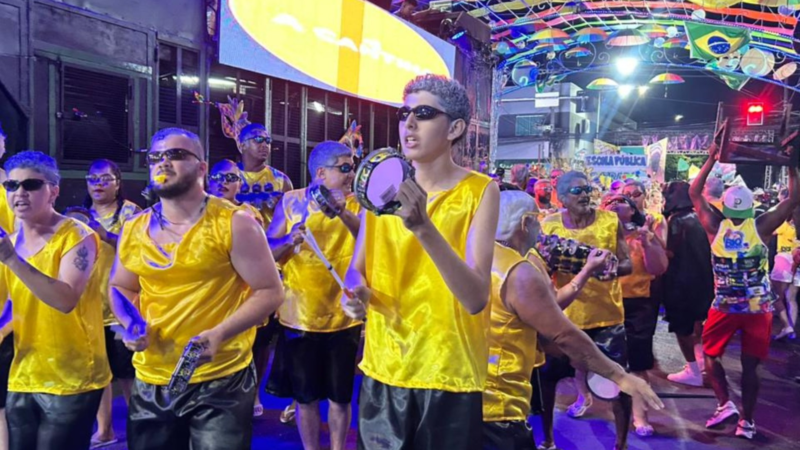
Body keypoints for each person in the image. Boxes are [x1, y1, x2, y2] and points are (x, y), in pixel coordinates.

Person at [340, 74, 499, 450]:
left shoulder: (478, 191)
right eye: (404, 113)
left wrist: (424, 228)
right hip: (384, 365)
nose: (408, 124)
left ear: (455, 128)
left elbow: (476, 297)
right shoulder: (380, 188)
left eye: (424, 114)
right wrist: (356, 292)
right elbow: (357, 266)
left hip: (448, 372)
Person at [109, 128, 285, 450]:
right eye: (155, 157)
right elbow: (120, 286)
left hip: (221, 378)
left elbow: (270, 291)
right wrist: (131, 321)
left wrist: (219, 333)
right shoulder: (134, 228)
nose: (163, 162)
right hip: (152, 377)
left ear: (202, 167)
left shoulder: (234, 223)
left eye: (176, 155)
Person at [483, 191, 663, 450]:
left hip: (468, 393)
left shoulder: (478, 256)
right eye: (536, 220)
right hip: (498, 400)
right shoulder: (518, 269)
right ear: (525, 224)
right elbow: (561, 333)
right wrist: (620, 376)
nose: (540, 226)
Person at [689, 142, 800, 439]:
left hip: (724, 306)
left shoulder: (714, 224)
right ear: (751, 207)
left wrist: (712, 158)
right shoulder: (762, 226)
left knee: (711, 357)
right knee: (752, 367)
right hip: (758, 308)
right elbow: (794, 198)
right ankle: (747, 422)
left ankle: (724, 404)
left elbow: (694, 193)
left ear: (725, 207)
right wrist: (791, 162)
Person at [0, 151, 109, 450]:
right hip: (25, 371)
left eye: (31, 185)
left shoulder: (76, 236)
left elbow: (65, 299)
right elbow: (13, 303)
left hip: (73, 374)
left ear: (54, 190)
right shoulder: (11, 239)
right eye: (11, 186)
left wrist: (11, 259)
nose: (19, 193)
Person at [267, 141, 361, 450]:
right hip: (299, 316)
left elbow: (370, 241)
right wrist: (290, 239)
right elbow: (270, 250)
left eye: (353, 166)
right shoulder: (291, 201)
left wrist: (343, 213)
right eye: (345, 168)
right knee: (305, 397)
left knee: (340, 395)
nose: (351, 174)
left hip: (344, 315)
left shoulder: (358, 203)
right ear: (321, 172)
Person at [538, 170, 633, 450]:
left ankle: (622, 444)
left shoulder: (609, 220)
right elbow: (542, 269)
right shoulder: (550, 225)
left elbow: (628, 264)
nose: (585, 195)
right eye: (577, 191)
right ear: (562, 197)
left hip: (607, 318)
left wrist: (611, 268)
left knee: (619, 385)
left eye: (588, 189)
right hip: (564, 319)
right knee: (547, 381)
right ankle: (548, 441)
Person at [77, 159, 142, 448]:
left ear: (118, 182)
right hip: (89, 305)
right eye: (93, 179)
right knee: (99, 372)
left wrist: (106, 235)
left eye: (105, 178)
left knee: (128, 371)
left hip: (122, 307)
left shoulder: (131, 212)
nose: (98, 184)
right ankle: (105, 430)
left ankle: (140, 425)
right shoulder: (80, 215)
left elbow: (138, 249)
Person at [208, 158, 274, 419]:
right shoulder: (197, 211)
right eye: (218, 177)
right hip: (211, 298)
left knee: (254, 349)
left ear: (240, 184)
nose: (223, 183)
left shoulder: (248, 214)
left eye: (231, 178)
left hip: (244, 296)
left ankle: (253, 392)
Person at [601, 194, 668, 437]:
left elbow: (659, 268)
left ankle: (640, 417)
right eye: (610, 202)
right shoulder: (598, 233)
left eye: (623, 202)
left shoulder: (642, 236)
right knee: (597, 360)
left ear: (632, 211)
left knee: (638, 363)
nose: (616, 205)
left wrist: (649, 243)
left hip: (637, 304)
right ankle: (587, 398)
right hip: (604, 303)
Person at [661, 181, 714, 387]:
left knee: (682, 328)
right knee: (698, 323)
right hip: (703, 280)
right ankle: (701, 363)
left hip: (681, 283)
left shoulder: (677, 220)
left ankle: (693, 370)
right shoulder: (701, 216)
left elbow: (670, 252)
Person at [237, 123, 293, 227]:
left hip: (269, 242)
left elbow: (290, 221)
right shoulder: (228, 177)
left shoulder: (281, 181)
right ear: (242, 145)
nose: (264, 145)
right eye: (258, 139)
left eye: (268, 141)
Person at [771, 189, 798, 340]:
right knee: (791, 297)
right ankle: (791, 331)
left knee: (775, 295)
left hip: (784, 258)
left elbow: (769, 229)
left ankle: (786, 325)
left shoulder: (784, 221)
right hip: (798, 259)